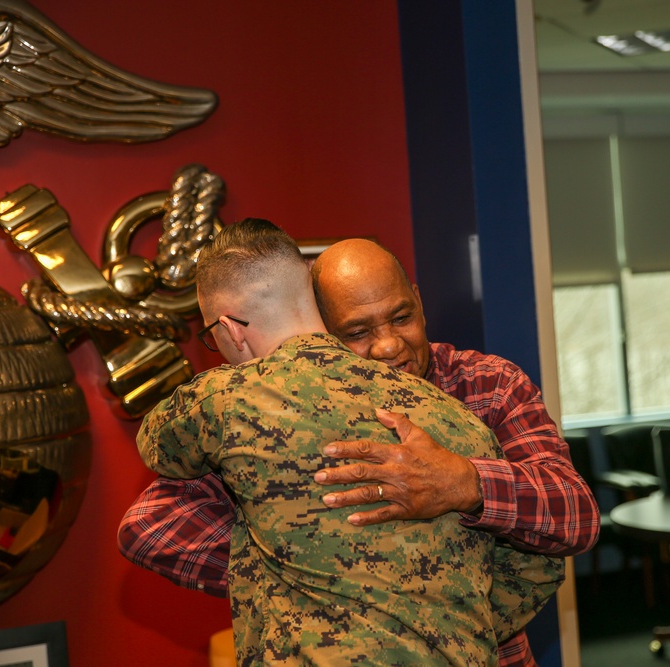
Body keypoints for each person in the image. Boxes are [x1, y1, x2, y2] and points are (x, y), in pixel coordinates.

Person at [120, 237, 600, 666]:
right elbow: (151, 524)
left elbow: (575, 517)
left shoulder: (485, 388)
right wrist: (316, 565)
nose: (389, 345)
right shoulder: (277, 413)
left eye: (401, 317)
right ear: (318, 330)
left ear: (420, 300)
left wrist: (465, 484)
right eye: (357, 332)